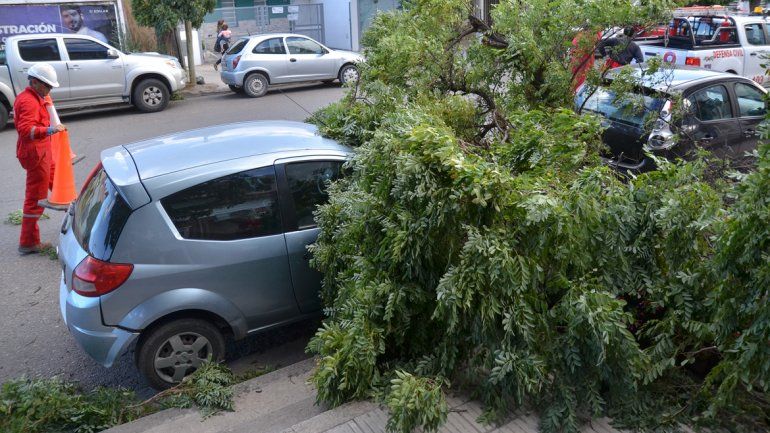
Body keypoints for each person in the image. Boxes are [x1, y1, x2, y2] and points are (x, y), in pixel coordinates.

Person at [13, 63, 66, 255]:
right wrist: (51, 130)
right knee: (35, 199)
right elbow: (26, 130)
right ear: (35, 82)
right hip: (36, 156)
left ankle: (78, 216)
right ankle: (28, 242)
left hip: (43, 152)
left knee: (61, 184)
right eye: (48, 86)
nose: (50, 90)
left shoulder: (37, 95)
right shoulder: (28, 101)